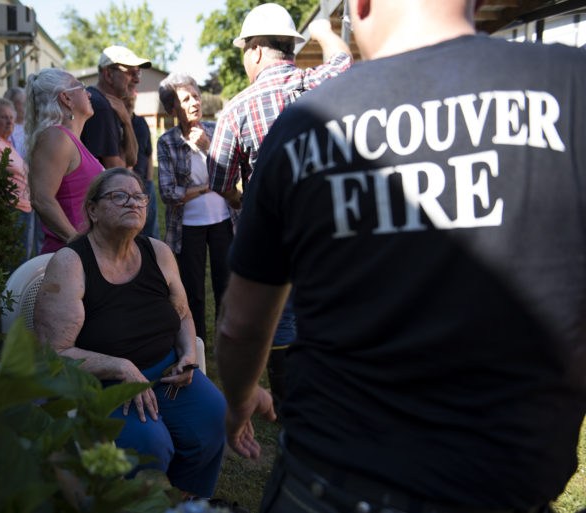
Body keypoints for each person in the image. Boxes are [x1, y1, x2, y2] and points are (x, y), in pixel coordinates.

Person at [216, 0, 586, 512]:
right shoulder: (570, 87)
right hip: (507, 485)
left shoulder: (304, 125)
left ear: (362, 4)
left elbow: (240, 325)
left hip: (331, 484)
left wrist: (238, 401)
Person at [34, 167, 226, 498]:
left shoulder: (158, 252)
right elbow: (54, 352)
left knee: (214, 420)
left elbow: (182, 313)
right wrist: (120, 367)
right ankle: (135, 504)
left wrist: (189, 356)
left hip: (167, 375)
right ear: (92, 210)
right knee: (150, 446)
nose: (132, 203)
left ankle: (188, 501)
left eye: (139, 197)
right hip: (105, 384)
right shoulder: (71, 263)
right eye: (119, 196)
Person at [208, 2, 352, 416]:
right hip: (331, 225)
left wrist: (244, 201)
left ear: (253, 51)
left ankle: (289, 406)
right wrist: (323, 29)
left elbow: (219, 182)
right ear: (291, 47)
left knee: (281, 319)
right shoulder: (320, 81)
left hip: (275, 236)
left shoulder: (236, 109)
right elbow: (344, 58)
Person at [157, 73, 235, 343]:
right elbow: (168, 193)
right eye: (186, 98)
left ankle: (226, 342)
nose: (195, 102)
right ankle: (197, 343)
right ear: (172, 109)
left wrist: (209, 147)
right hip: (187, 227)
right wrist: (205, 188)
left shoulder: (217, 130)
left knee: (225, 285)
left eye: (197, 96)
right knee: (193, 290)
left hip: (223, 220)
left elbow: (233, 173)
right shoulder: (166, 142)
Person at [25, 68, 104, 254]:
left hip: (85, 252)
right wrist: (77, 242)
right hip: (68, 257)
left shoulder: (72, 141)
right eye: (82, 87)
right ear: (66, 98)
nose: (89, 94)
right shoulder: (56, 137)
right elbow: (41, 198)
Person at [80, 46, 151, 169]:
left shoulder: (108, 105)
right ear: (108, 74)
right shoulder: (101, 107)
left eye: (138, 73)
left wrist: (127, 122)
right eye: (131, 73)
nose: (137, 80)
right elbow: (117, 169)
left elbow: (131, 160)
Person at [0, 97, 33, 262]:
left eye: (11, 117)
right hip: (9, 210)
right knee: (13, 260)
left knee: (21, 257)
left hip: (21, 208)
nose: (10, 121)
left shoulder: (5, 143)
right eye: (3, 117)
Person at [6, 85, 45, 257]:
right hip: (21, 189)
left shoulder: (33, 127)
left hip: (39, 184)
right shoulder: (9, 131)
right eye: (23, 104)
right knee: (25, 236)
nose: (27, 107)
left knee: (41, 231)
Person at [124, 92, 160, 239]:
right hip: (126, 184)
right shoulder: (115, 123)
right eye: (127, 99)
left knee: (151, 225)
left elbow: (149, 153)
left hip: (145, 182)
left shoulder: (141, 123)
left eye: (132, 99)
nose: (130, 102)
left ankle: (153, 254)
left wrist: (150, 179)